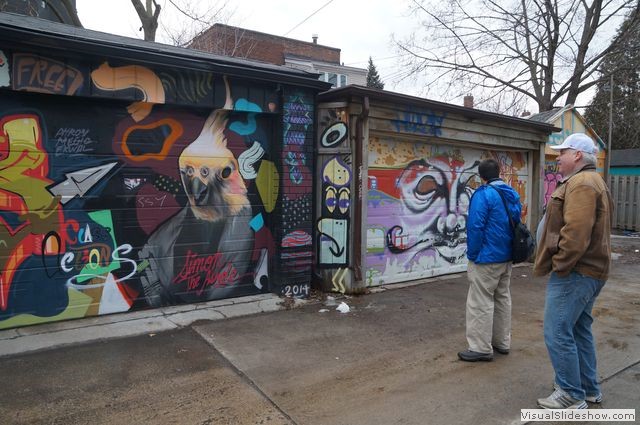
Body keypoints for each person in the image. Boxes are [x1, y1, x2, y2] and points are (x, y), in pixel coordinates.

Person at [534, 133, 613, 409]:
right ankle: (588, 389)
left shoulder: (581, 183)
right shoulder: (588, 181)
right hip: (588, 271)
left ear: (578, 155)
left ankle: (570, 393)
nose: (558, 157)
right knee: (578, 329)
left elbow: (576, 233)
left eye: (563, 152)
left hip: (576, 272)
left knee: (556, 331)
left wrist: (561, 265)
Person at [458, 158, 522, 362]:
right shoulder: (511, 193)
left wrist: (473, 254)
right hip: (507, 256)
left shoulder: (483, 194)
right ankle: (502, 342)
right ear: (500, 172)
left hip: (487, 257)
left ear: (481, 176)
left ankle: (480, 347)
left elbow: (475, 226)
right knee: (502, 297)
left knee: (480, 301)